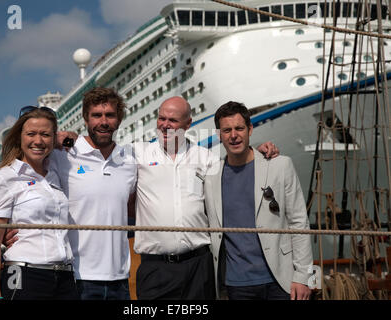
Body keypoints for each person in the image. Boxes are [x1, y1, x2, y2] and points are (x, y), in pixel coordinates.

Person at [132, 96, 279, 300]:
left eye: (173, 120)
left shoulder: (207, 159)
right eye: (161, 118)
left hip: (199, 267)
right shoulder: (138, 154)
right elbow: (101, 154)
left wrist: (259, 151)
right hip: (156, 269)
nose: (165, 125)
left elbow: (237, 171)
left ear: (188, 124)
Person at [204, 101, 313, 300]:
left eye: (239, 128)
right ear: (219, 135)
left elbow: (299, 222)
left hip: (281, 279)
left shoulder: (280, 165)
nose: (234, 135)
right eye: (226, 130)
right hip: (237, 284)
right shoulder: (210, 176)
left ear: (250, 129)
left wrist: (303, 276)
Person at [48, 88, 137, 300]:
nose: (103, 122)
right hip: (77, 276)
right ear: (85, 118)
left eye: (110, 115)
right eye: (96, 115)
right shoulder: (64, 153)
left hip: (120, 277)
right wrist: (53, 138)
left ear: (119, 120)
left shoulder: (129, 160)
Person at [0, 106, 78, 300]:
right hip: (25, 276)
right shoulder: (3, 179)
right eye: (31, 134)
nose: (38, 141)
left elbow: (76, 139)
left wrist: (65, 137)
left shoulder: (54, 175)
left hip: (65, 277)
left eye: (45, 134)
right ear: (19, 137)